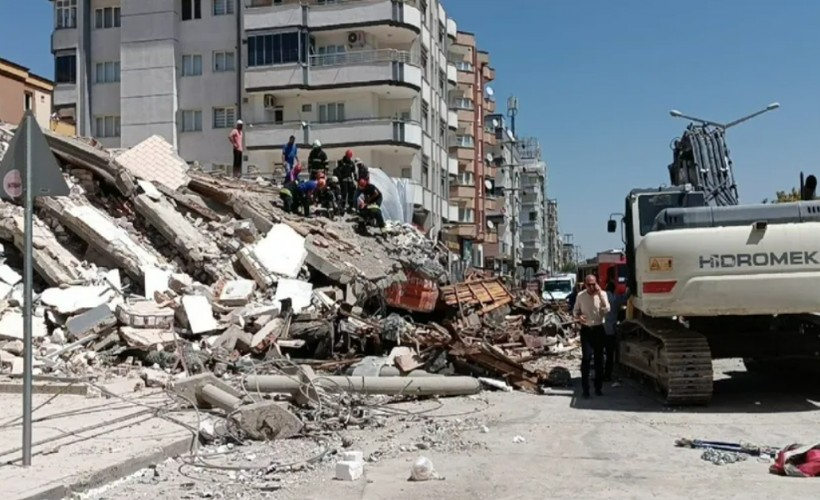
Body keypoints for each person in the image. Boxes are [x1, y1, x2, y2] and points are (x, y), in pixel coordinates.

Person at [572, 274, 610, 398]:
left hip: (599, 329)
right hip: (587, 330)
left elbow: (606, 310)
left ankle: (598, 388)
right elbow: (575, 311)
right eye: (589, 284)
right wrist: (579, 317)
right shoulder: (581, 296)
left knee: (599, 360)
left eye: (594, 284)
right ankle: (585, 389)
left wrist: (599, 295)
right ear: (585, 284)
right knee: (587, 359)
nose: (592, 287)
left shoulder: (602, 294)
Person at [603, 280, 620, 382]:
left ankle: (599, 375)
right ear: (614, 289)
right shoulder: (615, 298)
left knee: (598, 354)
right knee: (609, 355)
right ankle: (607, 375)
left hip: (600, 330)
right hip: (610, 331)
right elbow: (625, 297)